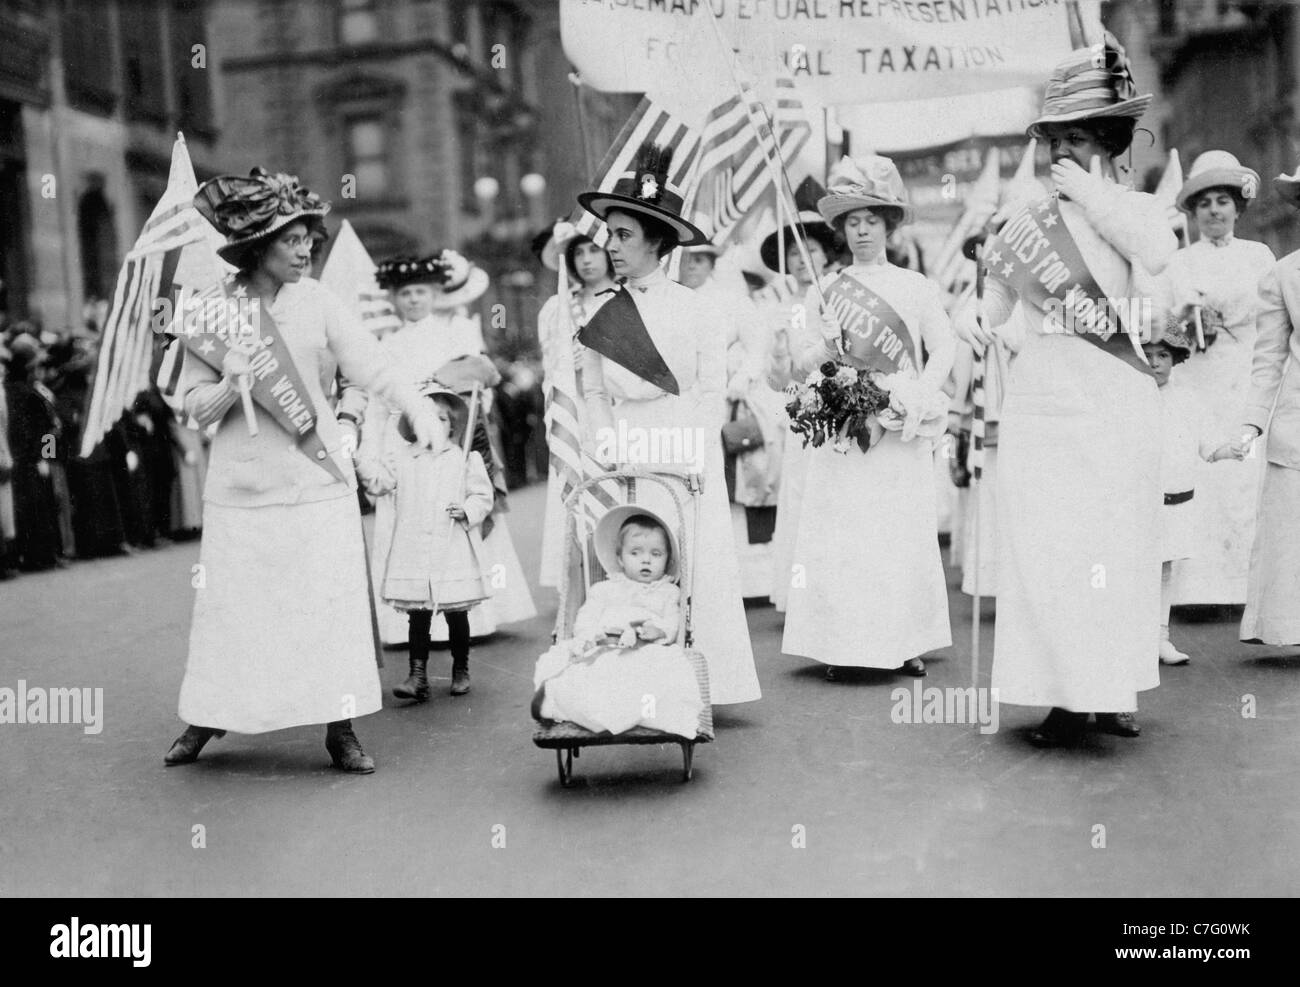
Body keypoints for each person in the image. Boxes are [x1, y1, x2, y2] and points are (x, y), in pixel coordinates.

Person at [163, 167, 443, 773]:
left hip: (318, 481)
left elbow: (371, 365)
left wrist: (417, 406)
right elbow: (190, 406)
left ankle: (339, 726)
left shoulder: (319, 301)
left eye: (309, 237)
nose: (306, 248)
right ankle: (210, 713)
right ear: (257, 246)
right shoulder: (215, 310)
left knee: (327, 607)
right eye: (292, 240)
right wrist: (226, 383)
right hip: (242, 484)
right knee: (234, 609)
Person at [959, 34, 1177, 746]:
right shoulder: (1025, 224)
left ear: (1108, 141)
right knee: (1049, 550)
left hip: (1115, 400)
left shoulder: (1133, 210)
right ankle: (1059, 693)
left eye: (1078, 138)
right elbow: (991, 298)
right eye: (1056, 140)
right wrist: (975, 320)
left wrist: (1091, 191)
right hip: (1044, 399)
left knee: (1112, 550)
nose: (1063, 153)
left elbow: (1159, 255)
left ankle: (1111, 689)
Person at [575, 143, 761, 705]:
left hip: (686, 445)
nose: (612, 247)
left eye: (625, 235)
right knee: (635, 559)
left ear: (658, 242)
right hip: (628, 445)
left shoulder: (699, 308)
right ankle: (635, 687)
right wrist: (606, 448)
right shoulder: (599, 313)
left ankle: (705, 684)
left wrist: (693, 453)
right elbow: (592, 390)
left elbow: (709, 389)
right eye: (609, 235)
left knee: (695, 560)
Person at [781, 154, 955, 679]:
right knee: (845, 535)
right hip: (841, 428)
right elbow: (802, 361)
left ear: (888, 225)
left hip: (898, 425)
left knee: (897, 533)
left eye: (871, 221)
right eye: (852, 222)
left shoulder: (916, 286)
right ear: (840, 229)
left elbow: (941, 348)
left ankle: (905, 642)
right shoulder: (823, 290)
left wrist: (916, 396)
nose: (861, 231)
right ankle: (842, 644)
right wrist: (826, 348)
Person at [359, 252, 536, 654]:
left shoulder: (453, 334)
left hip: (448, 433)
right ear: (394, 299)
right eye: (406, 294)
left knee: (452, 516)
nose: (414, 301)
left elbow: (480, 388)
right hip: (401, 438)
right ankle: (407, 620)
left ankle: (468, 613)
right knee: (407, 522)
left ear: (435, 293)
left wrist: (462, 414)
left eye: (421, 292)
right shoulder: (386, 344)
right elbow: (376, 397)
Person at [1161, 151, 1276, 605]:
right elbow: (1165, 331)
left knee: (1247, 477)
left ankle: (1246, 586)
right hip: (1199, 379)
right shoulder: (1179, 262)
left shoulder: (1259, 256)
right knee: (1204, 473)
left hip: (1246, 374)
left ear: (1237, 208)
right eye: (1204, 202)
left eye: (1222, 201)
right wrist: (1187, 323)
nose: (1213, 211)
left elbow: (1275, 318)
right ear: (1193, 211)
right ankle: (1198, 589)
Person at [365, 385, 493, 703]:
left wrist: (467, 509)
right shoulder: (403, 459)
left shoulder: (463, 458)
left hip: (452, 546)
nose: (436, 426)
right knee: (418, 614)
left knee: (456, 613)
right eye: (428, 419)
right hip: (415, 549)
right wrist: (360, 459)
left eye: (443, 419)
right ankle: (417, 675)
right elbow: (380, 483)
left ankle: (460, 668)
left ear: (453, 426)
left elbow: (482, 495)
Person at [532, 508, 703, 739]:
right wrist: (592, 636)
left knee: (662, 674)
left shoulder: (668, 593)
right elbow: (586, 620)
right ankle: (601, 711)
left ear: (667, 559)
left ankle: (630, 713)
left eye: (656, 554)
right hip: (605, 647)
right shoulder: (604, 590)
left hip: (646, 651)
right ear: (620, 559)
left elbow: (674, 623)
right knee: (590, 675)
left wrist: (660, 631)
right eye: (635, 553)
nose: (646, 560)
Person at [680, 240, 783, 599]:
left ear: (712, 263)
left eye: (700, 260)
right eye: (687, 259)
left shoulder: (731, 300)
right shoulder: (675, 301)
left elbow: (758, 349)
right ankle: (705, 576)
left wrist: (740, 380)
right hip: (687, 403)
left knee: (737, 482)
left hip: (729, 401)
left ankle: (751, 579)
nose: (692, 266)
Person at [1145, 326, 1249, 665]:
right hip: (1134, 504)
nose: (1155, 362)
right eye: (1147, 355)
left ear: (1176, 358)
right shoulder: (1127, 397)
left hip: (1173, 502)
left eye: (1162, 355)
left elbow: (1208, 447)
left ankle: (1159, 638)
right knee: (1131, 572)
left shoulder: (1187, 400)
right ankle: (1130, 640)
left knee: (1163, 569)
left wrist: (1229, 450)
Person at [756, 213, 837, 611]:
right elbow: (776, 379)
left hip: (843, 407)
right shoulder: (781, 310)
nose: (803, 260)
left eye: (811, 251)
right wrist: (778, 357)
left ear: (825, 255)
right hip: (804, 414)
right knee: (801, 499)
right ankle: (802, 596)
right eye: (794, 254)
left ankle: (834, 592)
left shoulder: (838, 297)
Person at [1239, 166, 1300, 647]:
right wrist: (1252, 424)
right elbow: (1268, 360)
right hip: (1295, 425)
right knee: (1291, 538)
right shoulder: (1283, 275)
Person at [535, 225, 615, 588]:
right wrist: (569, 363)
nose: (585, 260)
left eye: (593, 251)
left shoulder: (623, 299)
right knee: (579, 497)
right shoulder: (560, 307)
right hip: (578, 412)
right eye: (578, 254)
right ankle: (582, 592)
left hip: (618, 409)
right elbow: (549, 366)